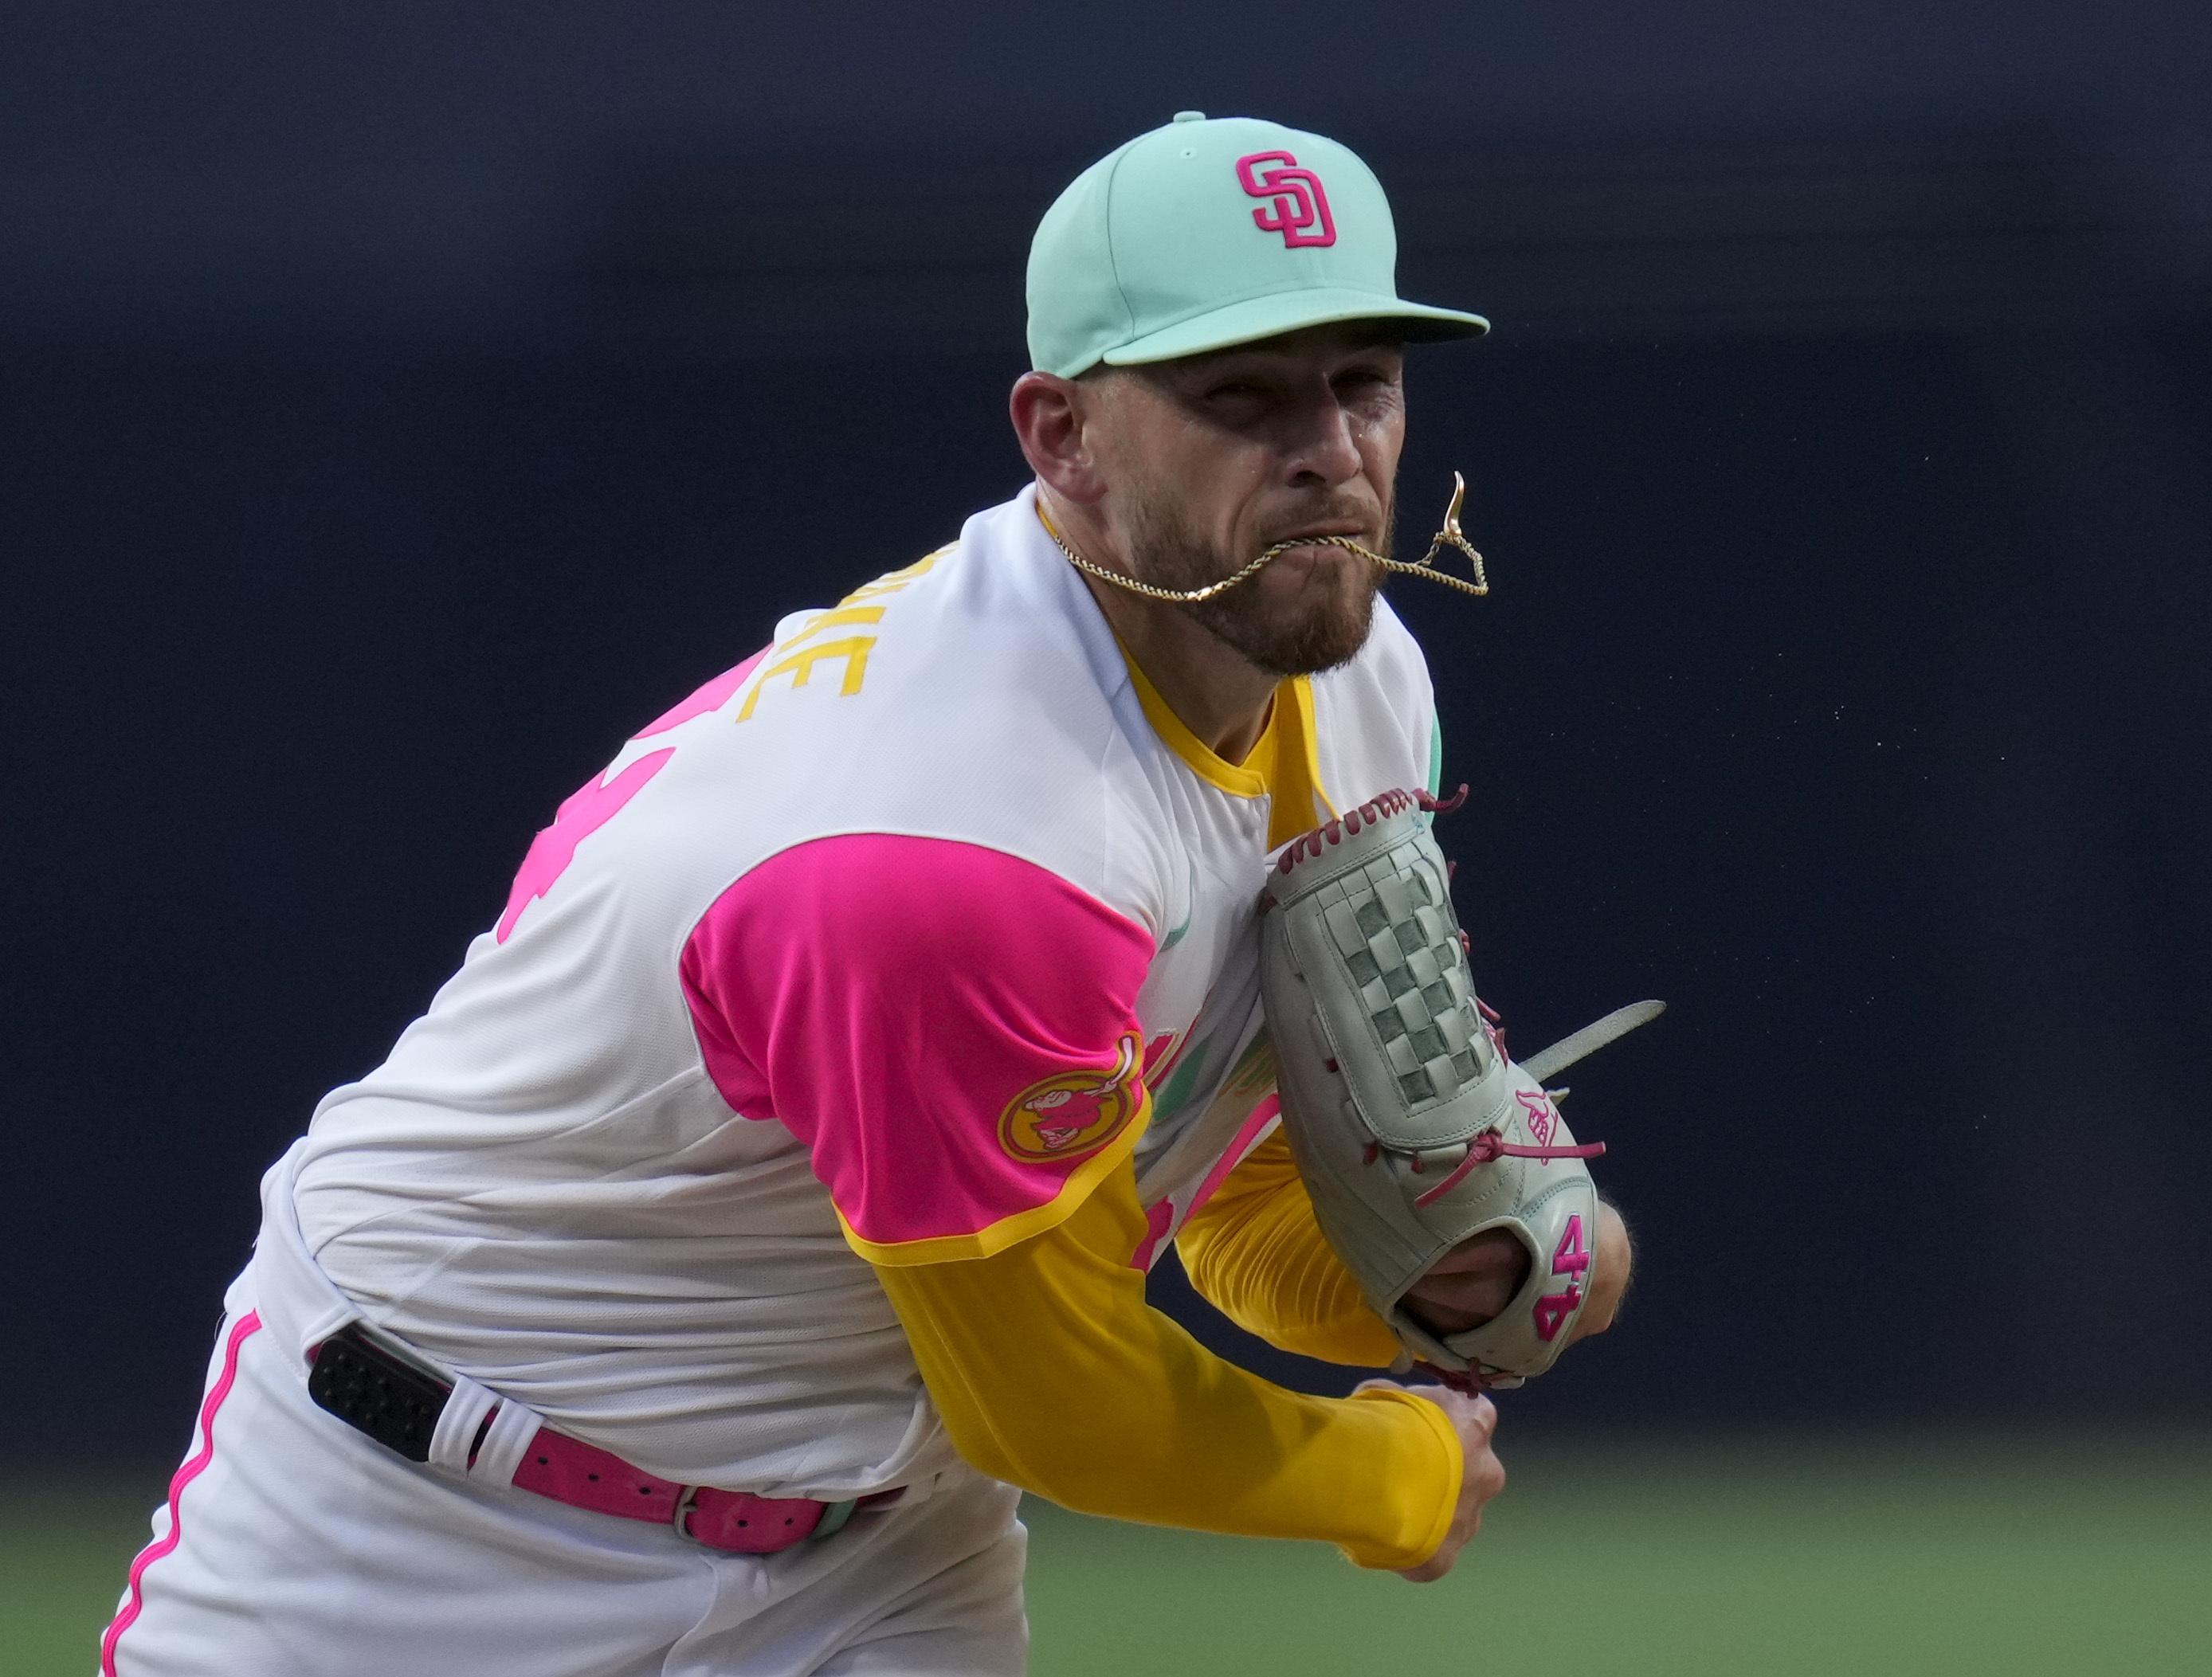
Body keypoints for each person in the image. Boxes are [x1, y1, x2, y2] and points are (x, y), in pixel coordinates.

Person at [99, 111, 1632, 1677]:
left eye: (1359, 380)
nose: (1326, 447)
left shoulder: (1358, 685)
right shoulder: (963, 850)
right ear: (1062, 440)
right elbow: (1057, 1407)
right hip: (420, 1523)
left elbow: (1214, 1193)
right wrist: (1395, 1473)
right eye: (1238, 394)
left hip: (875, 1545)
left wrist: (1448, 1276)